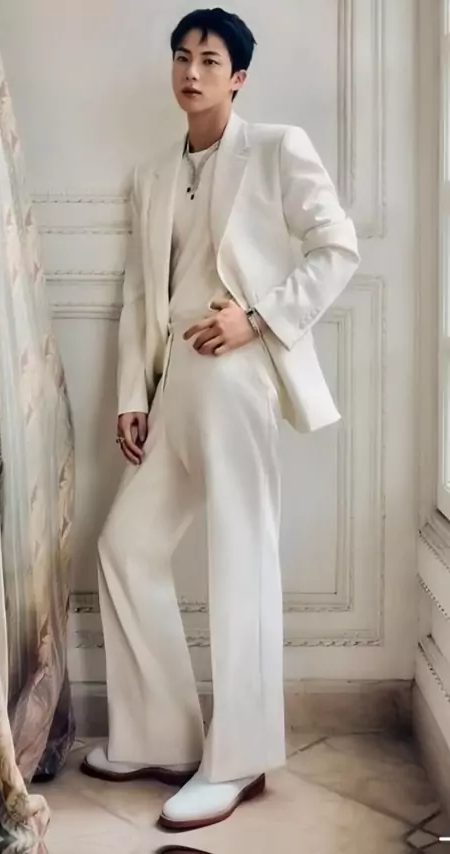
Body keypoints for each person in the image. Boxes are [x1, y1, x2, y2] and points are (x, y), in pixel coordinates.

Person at [81, 7, 360, 831]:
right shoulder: (152, 175)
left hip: (236, 375)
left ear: (238, 77)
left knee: (240, 557)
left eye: (209, 60)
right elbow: (141, 291)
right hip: (174, 383)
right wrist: (134, 396)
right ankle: (162, 736)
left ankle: (238, 761)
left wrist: (258, 319)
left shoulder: (275, 148)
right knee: (125, 547)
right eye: (181, 57)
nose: (191, 72)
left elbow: (337, 247)